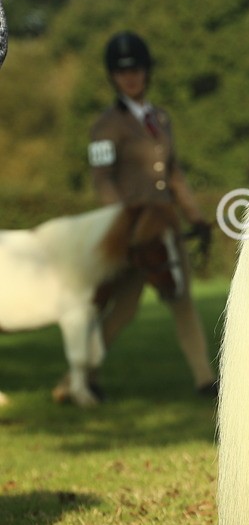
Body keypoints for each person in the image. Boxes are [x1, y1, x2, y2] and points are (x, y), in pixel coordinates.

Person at [75, 31, 218, 399]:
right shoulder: (105, 127)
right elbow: (102, 180)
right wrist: (123, 223)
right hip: (131, 233)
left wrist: (195, 216)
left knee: (182, 299)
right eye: (123, 71)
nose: (131, 77)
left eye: (137, 69)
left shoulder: (161, 119)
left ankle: (205, 379)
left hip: (165, 228)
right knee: (123, 309)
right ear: (113, 76)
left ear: (147, 71)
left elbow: (174, 175)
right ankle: (79, 377)